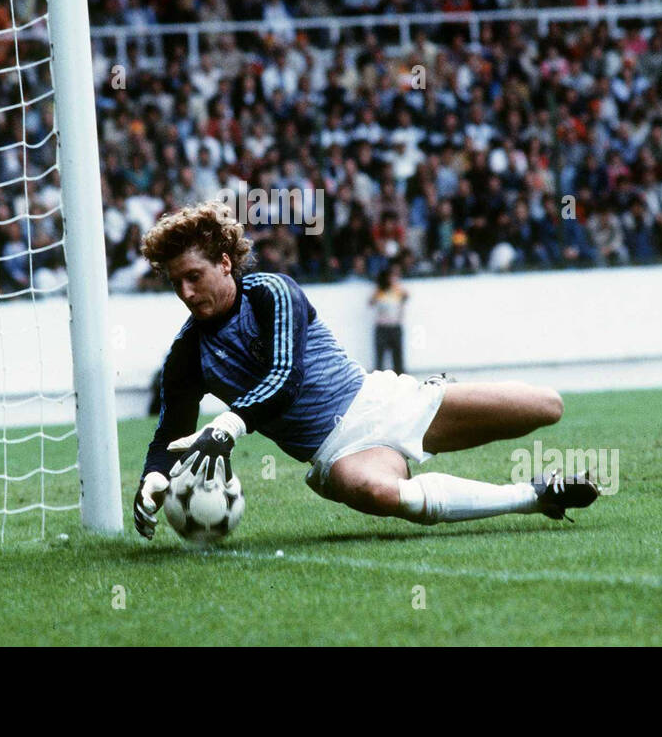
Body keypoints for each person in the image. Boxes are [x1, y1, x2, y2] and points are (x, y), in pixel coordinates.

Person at [131, 201, 598, 540]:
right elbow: (171, 430)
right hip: (338, 451)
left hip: (382, 401)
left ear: (226, 264)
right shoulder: (187, 353)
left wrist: (228, 426)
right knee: (383, 494)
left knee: (548, 407)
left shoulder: (271, 292)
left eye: (194, 276)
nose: (187, 292)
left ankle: (437, 391)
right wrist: (155, 476)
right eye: (177, 283)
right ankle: (536, 496)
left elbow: (285, 378)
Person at [369, 265, 408, 374]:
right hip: (382, 327)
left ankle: (400, 377)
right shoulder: (380, 292)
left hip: (395, 326)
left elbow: (406, 296)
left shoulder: (398, 290)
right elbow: (371, 302)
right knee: (380, 357)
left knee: (398, 357)